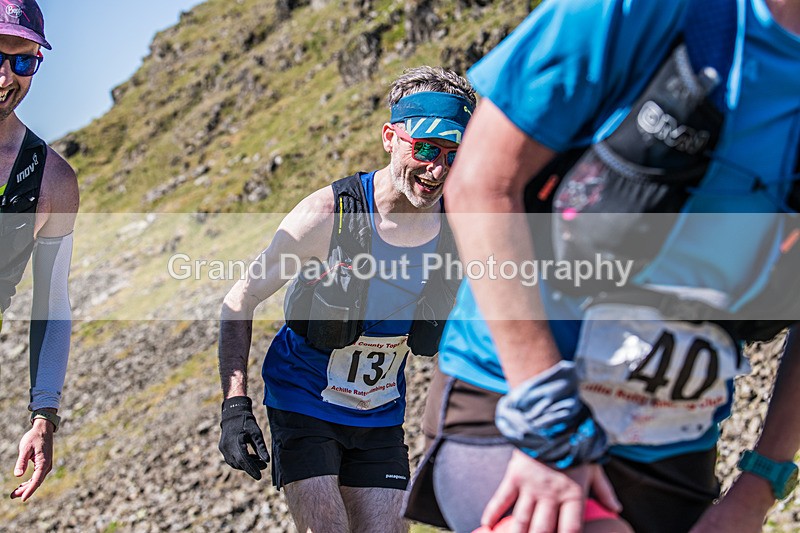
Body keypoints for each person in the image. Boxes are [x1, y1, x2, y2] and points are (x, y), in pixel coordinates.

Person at [407, 0, 800, 532]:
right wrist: (548, 425)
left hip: (674, 446)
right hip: (516, 401)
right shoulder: (642, 10)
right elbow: (482, 184)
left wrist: (758, 488)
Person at [218, 66, 474, 533]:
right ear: (390, 138)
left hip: (379, 413)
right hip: (303, 400)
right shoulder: (327, 215)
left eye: (453, 155)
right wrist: (235, 407)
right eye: (425, 149)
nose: (437, 170)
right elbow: (240, 298)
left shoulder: (463, 227)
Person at [0, 0, 79, 502]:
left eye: (22, 61)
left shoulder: (52, 180)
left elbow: (51, 304)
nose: (5, 76)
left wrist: (43, 413)